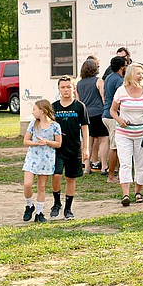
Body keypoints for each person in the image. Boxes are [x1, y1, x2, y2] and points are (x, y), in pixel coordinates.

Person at [110, 62, 143, 206]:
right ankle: (125, 194)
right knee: (126, 163)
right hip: (124, 133)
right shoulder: (121, 91)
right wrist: (119, 119)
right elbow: (112, 110)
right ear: (130, 75)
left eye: (142, 73)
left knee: (142, 164)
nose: (141, 76)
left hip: (142, 133)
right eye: (138, 73)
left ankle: (138, 192)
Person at [50, 76, 89, 220]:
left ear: (74, 88)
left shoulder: (79, 106)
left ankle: (68, 209)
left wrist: (86, 148)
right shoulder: (53, 107)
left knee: (70, 178)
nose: (66, 90)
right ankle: (56, 203)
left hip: (74, 148)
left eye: (68, 87)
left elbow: (84, 128)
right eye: (63, 87)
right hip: (57, 148)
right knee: (56, 175)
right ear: (59, 89)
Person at [22, 100, 62, 223]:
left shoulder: (55, 126)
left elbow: (58, 143)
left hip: (46, 159)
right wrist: (36, 143)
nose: (33, 112)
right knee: (27, 184)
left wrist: (47, 141)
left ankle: (39, 212)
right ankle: (29, 205)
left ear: (42, 111)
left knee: (42, 186)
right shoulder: (33, 124)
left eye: (34, 109)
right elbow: (26, 141)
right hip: (33, 158)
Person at [76, 58, 108, 174]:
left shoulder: (79, 84)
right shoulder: (98, 80)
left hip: (85, 115)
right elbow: (103, 97)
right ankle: (104, 166)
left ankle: (87, 166)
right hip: (98, 113)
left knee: (88, 141)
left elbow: (78, 101)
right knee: (103, 139)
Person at [102, 56, 127, 183]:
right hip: (113, 116)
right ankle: (111, 176)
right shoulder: (118, 80)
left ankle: (118, 173)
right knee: (115, 147)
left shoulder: (109, 77)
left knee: (115, 145)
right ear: (122, 67)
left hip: (106, 114)